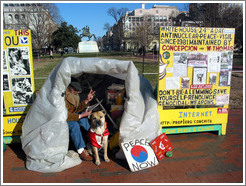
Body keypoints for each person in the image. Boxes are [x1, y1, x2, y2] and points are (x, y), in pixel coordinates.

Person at [65, 78, 95, 161]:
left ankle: (91, 140)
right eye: (73, 89)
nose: (75, 91)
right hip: (63, 118)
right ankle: (81, 150)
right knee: (74, 125)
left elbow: (76, 109)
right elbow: (64, 114)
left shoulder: (74, 94)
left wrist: (86, 101)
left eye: (76, 90)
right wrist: (81, 115)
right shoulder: (63, 95)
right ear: (69, 87)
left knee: (84, 120)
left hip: (72, 115)